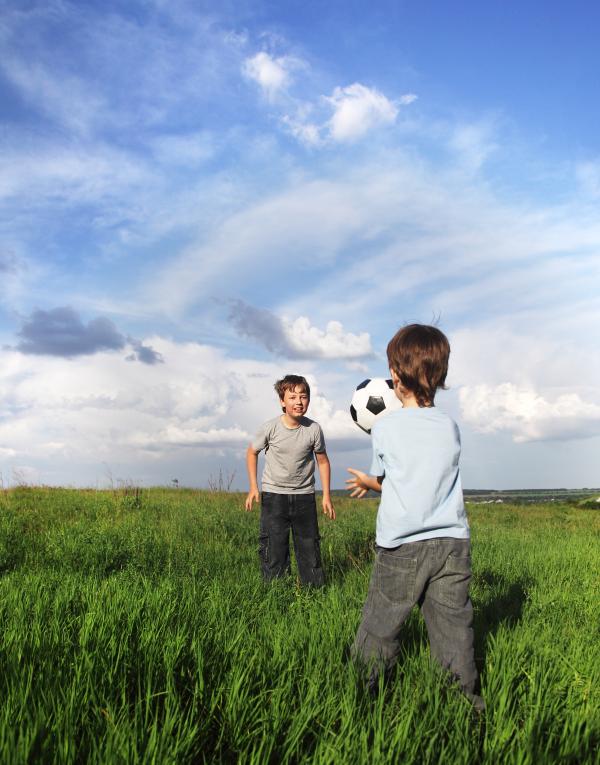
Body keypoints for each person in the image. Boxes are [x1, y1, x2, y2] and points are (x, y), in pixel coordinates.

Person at [346, 324, 484, 711]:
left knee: (382, 623)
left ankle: (363, 695)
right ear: (439, 376)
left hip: (402, 545)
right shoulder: (450, 427)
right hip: (453, 544)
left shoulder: (385, 426)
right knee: (454, 628)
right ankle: (465, 706)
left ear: (394, 374)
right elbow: (425, 479)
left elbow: (386, 481)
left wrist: (365, 481)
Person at [245, 374, 335, 587]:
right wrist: (253, 487)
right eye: (292, 397)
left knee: (309, 547)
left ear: (309, 400)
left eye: (303, 397)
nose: (298, 402)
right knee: (274, 547)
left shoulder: (313, 429)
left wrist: (327, 496)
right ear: (282, 401)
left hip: (304, 496)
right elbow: (251, 452)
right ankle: (275, 593)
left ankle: (312, 592)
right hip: (274, 496)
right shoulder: (270, 428)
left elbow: (322, 461)